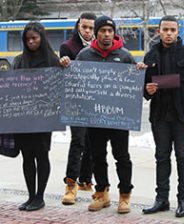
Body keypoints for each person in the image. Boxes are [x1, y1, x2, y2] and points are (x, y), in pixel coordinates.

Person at [141, 15, 184, 217]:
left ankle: (183, 201)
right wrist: (148, 91)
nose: (168, 33)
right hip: (160, 116)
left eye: (172, 29)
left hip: (183, 117)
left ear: (178, 31)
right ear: (159, 31)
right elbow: (143, 88)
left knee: (182, 158)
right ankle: (161, 199)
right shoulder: (151, 56)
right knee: (161, 158)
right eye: (165, 29)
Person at [76, 15, 136, 213]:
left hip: (118, 118)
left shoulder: (125, 56)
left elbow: (135, 87)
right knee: (97, 156)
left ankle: (125, 195)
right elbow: (75, 84)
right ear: (97, 32)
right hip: (94, 117)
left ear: (114, 33)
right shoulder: (84, 56)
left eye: (110, 31)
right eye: (103, 30)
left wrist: (140, 73)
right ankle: (102, 193)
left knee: (122, 157)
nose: (107, 34)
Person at [12, 22, 70, 211]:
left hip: (44, 117)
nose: (31, 42)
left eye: (34, 38)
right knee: (27, 156)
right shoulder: (19, 60)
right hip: (24, 117)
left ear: (42, 38)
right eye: (27, 39)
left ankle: (40, 196)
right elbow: (10, 85)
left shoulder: (53, 61)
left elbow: (63, 87)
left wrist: (64, 66)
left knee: (41, 155)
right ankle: (30, 196)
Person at [59, 12, 97, 205]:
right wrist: (64, 63)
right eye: (85, 27)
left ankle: (86, 180)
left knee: (92, 142)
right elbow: (64, 73)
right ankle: (71, 183)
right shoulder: (68, 46)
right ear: (78, 26)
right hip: (75, 102)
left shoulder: (100, 47)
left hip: (95, 102)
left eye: (91, 27)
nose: (88, 31)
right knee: (78, 142)